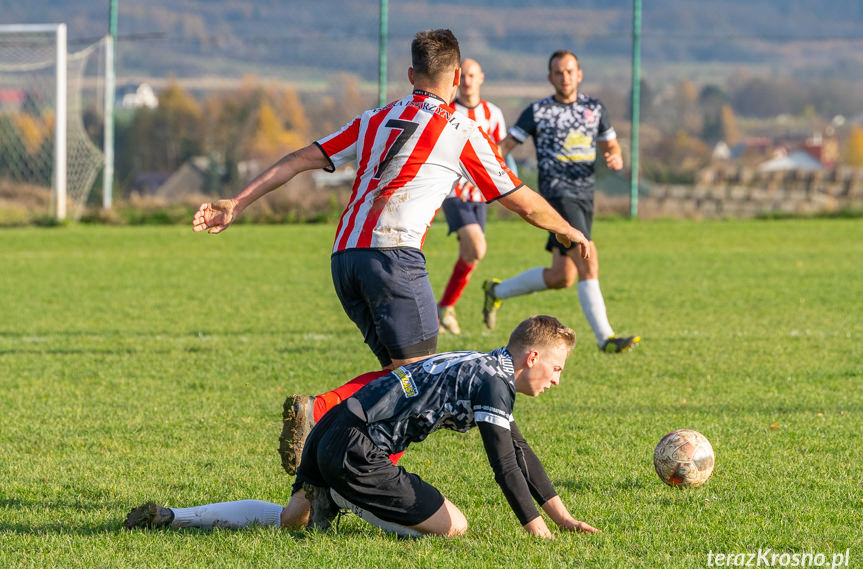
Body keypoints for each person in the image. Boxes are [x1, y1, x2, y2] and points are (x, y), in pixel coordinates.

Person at [193, 30, 590, 372]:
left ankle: (337, 437)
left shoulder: (372, 119)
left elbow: (298, 160)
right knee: (420, 382)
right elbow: (521, 201)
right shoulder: (460, 130)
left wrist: (237, 202)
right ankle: (319, 413)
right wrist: (569, 229)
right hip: (393, 258)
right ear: (455, 77)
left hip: (345, 258)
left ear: (411, 75)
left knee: (396, 378)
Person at [124, 315, 600, 539]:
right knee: (455, 526)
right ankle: (344, 494)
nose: (557, 378)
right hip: (356, 450)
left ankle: (176, 516)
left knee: (293, 520)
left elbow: (519, 451)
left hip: (332, 426)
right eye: (557, 367)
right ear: (532, 356)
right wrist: (537, 530)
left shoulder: (485, 366)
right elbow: (503, 464)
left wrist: (561, 516)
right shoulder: (495, 382)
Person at [484, 50, 640, 353]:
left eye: (570, 71)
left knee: (561, 276)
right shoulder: (538, 111)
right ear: (550, 78)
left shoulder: (594, 108)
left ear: (579, 74)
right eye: (558, 72)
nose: (565, 77)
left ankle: (496, 290)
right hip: (557, 196)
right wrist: (487, 169)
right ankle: (605, 338)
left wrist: (615, 155)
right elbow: (505, 147)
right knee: (588, 255)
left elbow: (611, 143)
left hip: (584, 196)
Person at [437, 58, 512, 335]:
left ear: (481, 78)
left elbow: (499, 152)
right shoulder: (447, 111)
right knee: (477, 247)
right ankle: (443, 308)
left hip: (480, 195)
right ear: (456, 79)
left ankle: (444, 307)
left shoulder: (493, 113)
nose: (467, 81)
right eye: (463, 76)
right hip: (453, 192)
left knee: (471, 255)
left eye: (472, 75)